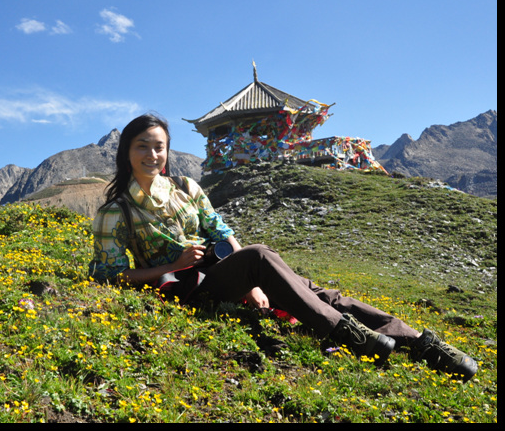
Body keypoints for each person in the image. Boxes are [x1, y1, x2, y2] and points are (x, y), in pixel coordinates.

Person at [88, 113, 478, 382]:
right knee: (260, 257)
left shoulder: (187, 189)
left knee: (310, 289)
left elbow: (221, 231)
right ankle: (344, 334)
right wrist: (169, 264)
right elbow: (107, 275)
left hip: (221, 273)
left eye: (160, 147)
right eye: (143, 146)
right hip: (186, 291)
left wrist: (252, 284)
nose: (153, 155)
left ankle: (420, 343)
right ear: (126, 151)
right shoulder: (115, 212)